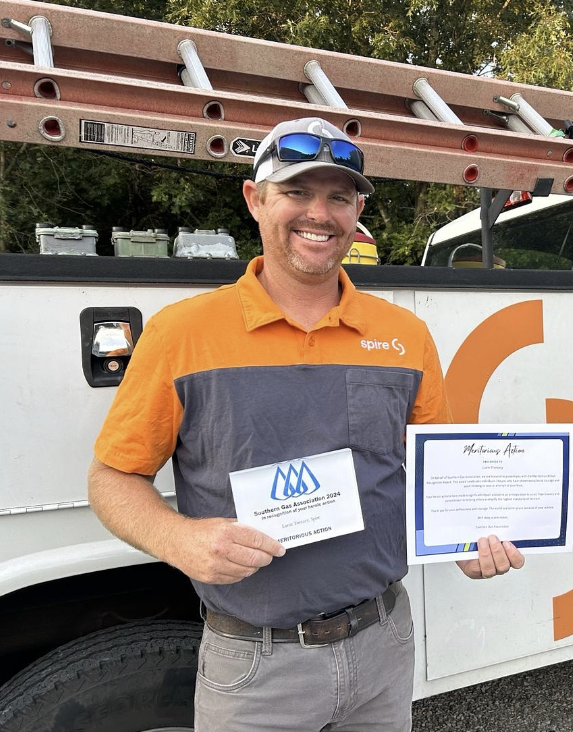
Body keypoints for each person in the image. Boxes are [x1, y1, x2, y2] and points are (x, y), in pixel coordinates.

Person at [87, 116, 524, 732]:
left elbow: (435, 474)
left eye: (339, 197)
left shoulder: (405, 336)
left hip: (384, 647)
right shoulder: (180, 334)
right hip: (255, 668)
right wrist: (178, 540)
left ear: (357, 211)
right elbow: (112, 477)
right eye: (296, 192)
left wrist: (466, 543)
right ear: (255, 199)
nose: (319, 213)